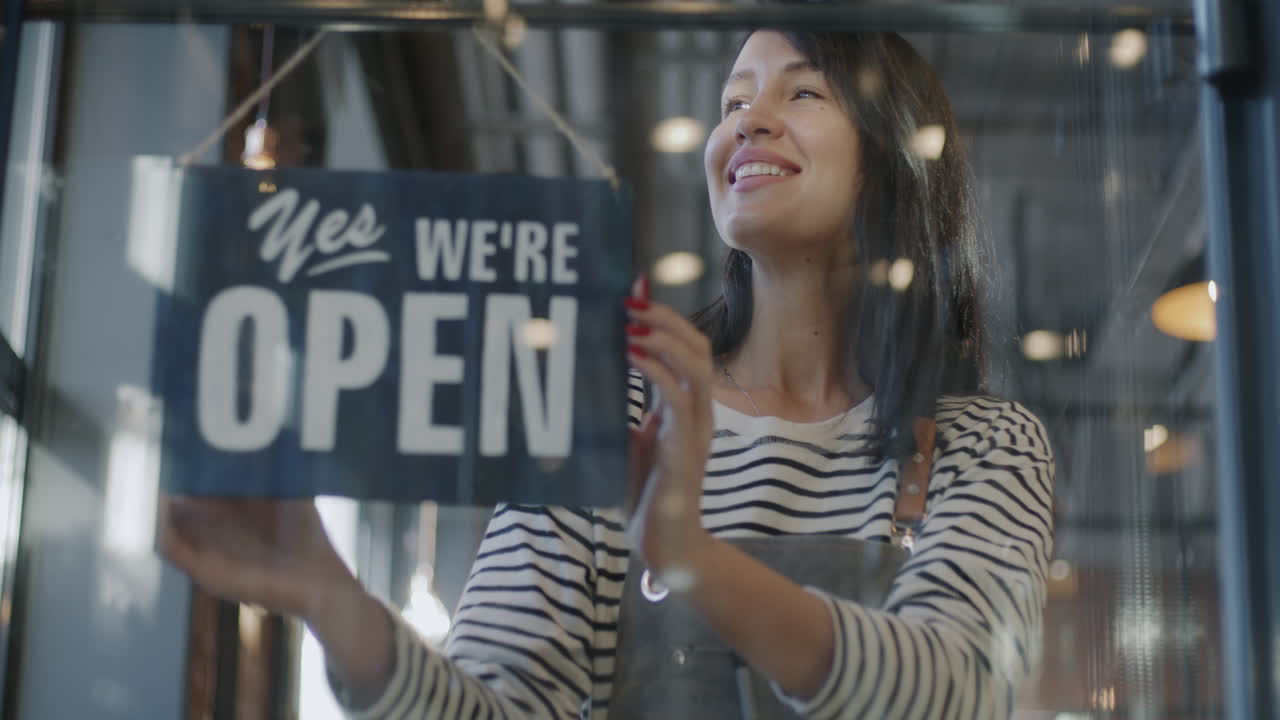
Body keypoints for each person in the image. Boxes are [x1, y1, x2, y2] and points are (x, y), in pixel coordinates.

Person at [161, 28, 1054, 719]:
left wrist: (690, 560)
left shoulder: (983, 445)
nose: (747, 119)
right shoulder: (616, 415)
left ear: (895, 157)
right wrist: (331, 596)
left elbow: (960, 687)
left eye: (804, 91)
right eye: (732, 99)